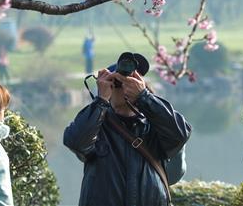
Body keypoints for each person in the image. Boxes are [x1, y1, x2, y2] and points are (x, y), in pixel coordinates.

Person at [64, 52, 191, 206]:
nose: (126, 87)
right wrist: (101, 101)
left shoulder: (154, 126)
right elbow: (75, 141)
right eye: (119, 83)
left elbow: (180, 135)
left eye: (133, 81)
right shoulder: (96, 127)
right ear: (109, 87)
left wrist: (144, 98)